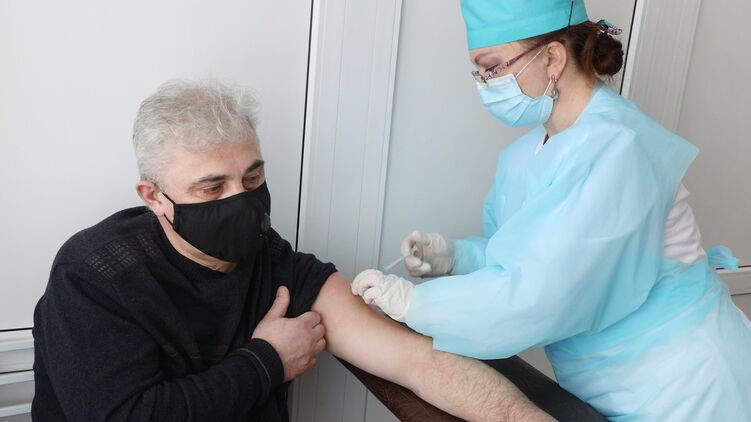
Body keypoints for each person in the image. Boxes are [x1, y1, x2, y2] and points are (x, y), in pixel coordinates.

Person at [31, 79, 553, 422]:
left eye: (252, 177)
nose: (240, 201)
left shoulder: (274, 261)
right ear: (154, 197)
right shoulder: (93, 276)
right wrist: (266, 362)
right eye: (211, 188)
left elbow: (419, 364)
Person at [352, 0, 751, 420]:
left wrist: (417, 304)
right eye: (479, 72)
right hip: (604, 386)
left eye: (492, 68)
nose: (484, 85)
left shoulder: (618, 148)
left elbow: (541, 292)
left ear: (553, 58)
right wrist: (455, 256)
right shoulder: (526, 157)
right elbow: (520, 257)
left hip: (685, 385)